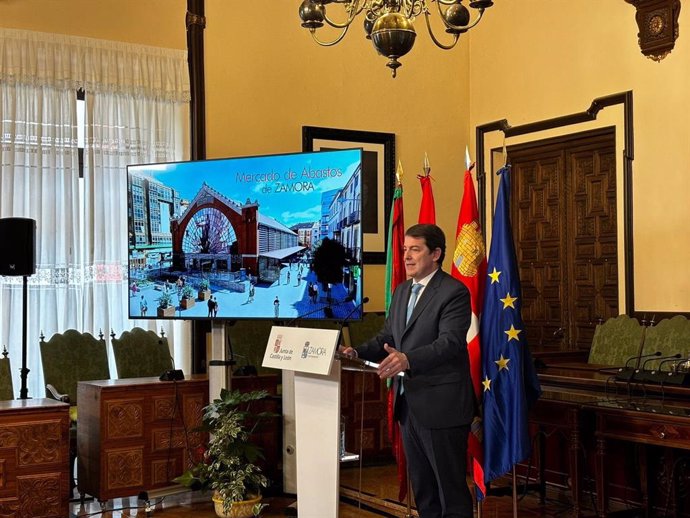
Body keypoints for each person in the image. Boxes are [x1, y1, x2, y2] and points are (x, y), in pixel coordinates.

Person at [341, 224, 473, 518]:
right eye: (404, 250)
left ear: (436, 254)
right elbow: (386, 338)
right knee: (424, 489)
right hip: (408, 405)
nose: (407, 256)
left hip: (442, 405)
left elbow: (450, 343)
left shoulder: (454, 292)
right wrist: (356, 352)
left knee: (449, 491)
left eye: (415, 249)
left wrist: (407, 359)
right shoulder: (402, 292)